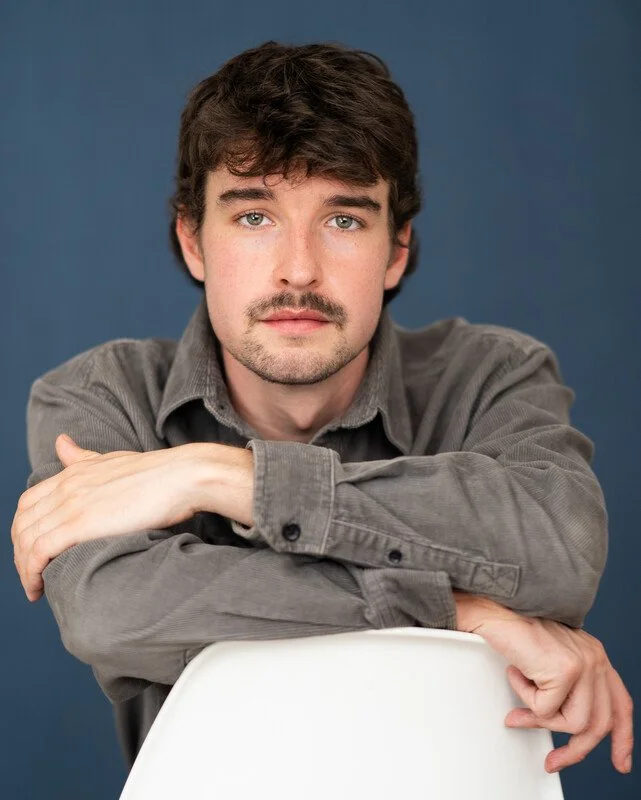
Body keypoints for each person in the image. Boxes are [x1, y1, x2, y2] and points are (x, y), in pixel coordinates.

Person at [12, 40, 633, 778]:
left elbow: (557, 550)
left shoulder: (490, 376)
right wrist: (464, 611)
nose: (298, 269)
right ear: (193, 241)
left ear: (396, 250)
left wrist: (221, 476)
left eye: (343, 220)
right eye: (253, 218)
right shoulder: (100, 397)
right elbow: (113, 613)